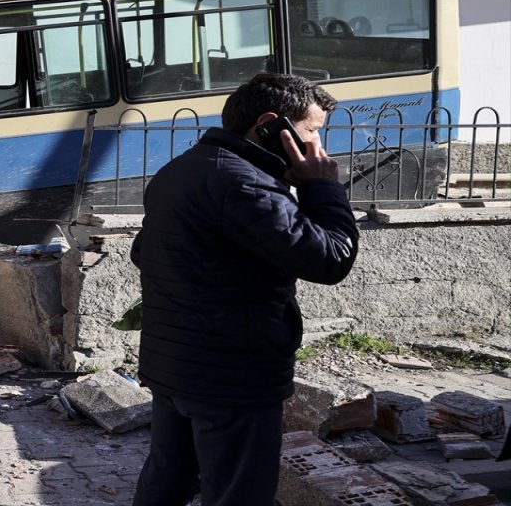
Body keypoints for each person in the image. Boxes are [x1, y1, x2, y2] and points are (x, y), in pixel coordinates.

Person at [131, 73, 359, 505]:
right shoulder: (244, 185)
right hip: (231, 375)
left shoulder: (182, 169)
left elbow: (146, 252)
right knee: (240, 492)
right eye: (311, 131)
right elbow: (331, 259)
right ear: (271, 124)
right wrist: (321, 186)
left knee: (169, 478)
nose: (317, 147)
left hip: (175, 363)